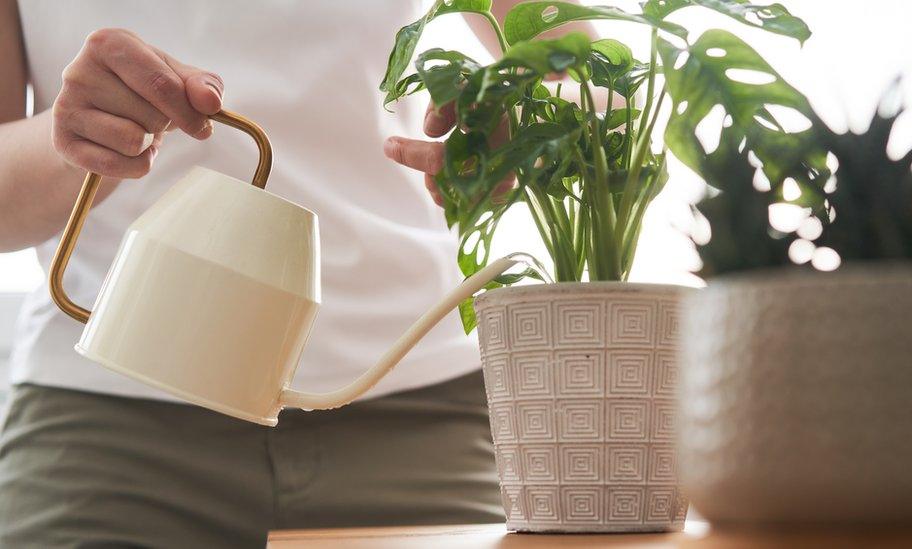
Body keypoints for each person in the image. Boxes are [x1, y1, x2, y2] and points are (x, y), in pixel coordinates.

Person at [0, 1, 586, 546]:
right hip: (105, 420)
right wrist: (78, 139)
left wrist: (526, 117)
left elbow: (599, 78)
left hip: (417, 403)